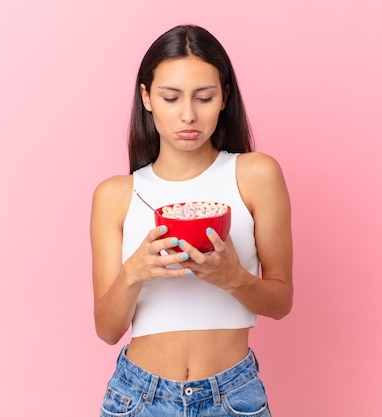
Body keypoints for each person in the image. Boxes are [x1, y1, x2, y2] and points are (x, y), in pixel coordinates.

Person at [90, 24, 293, 417]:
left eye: (204, 97)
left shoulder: (256, 175)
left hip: (232, 396)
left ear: (224, 98)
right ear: (147, 97)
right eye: (171, 97)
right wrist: (135, 272)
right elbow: (107, 329)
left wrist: (231, 276)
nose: (188, 115)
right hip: (138, 397)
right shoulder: (115, 195)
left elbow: (281, 302)